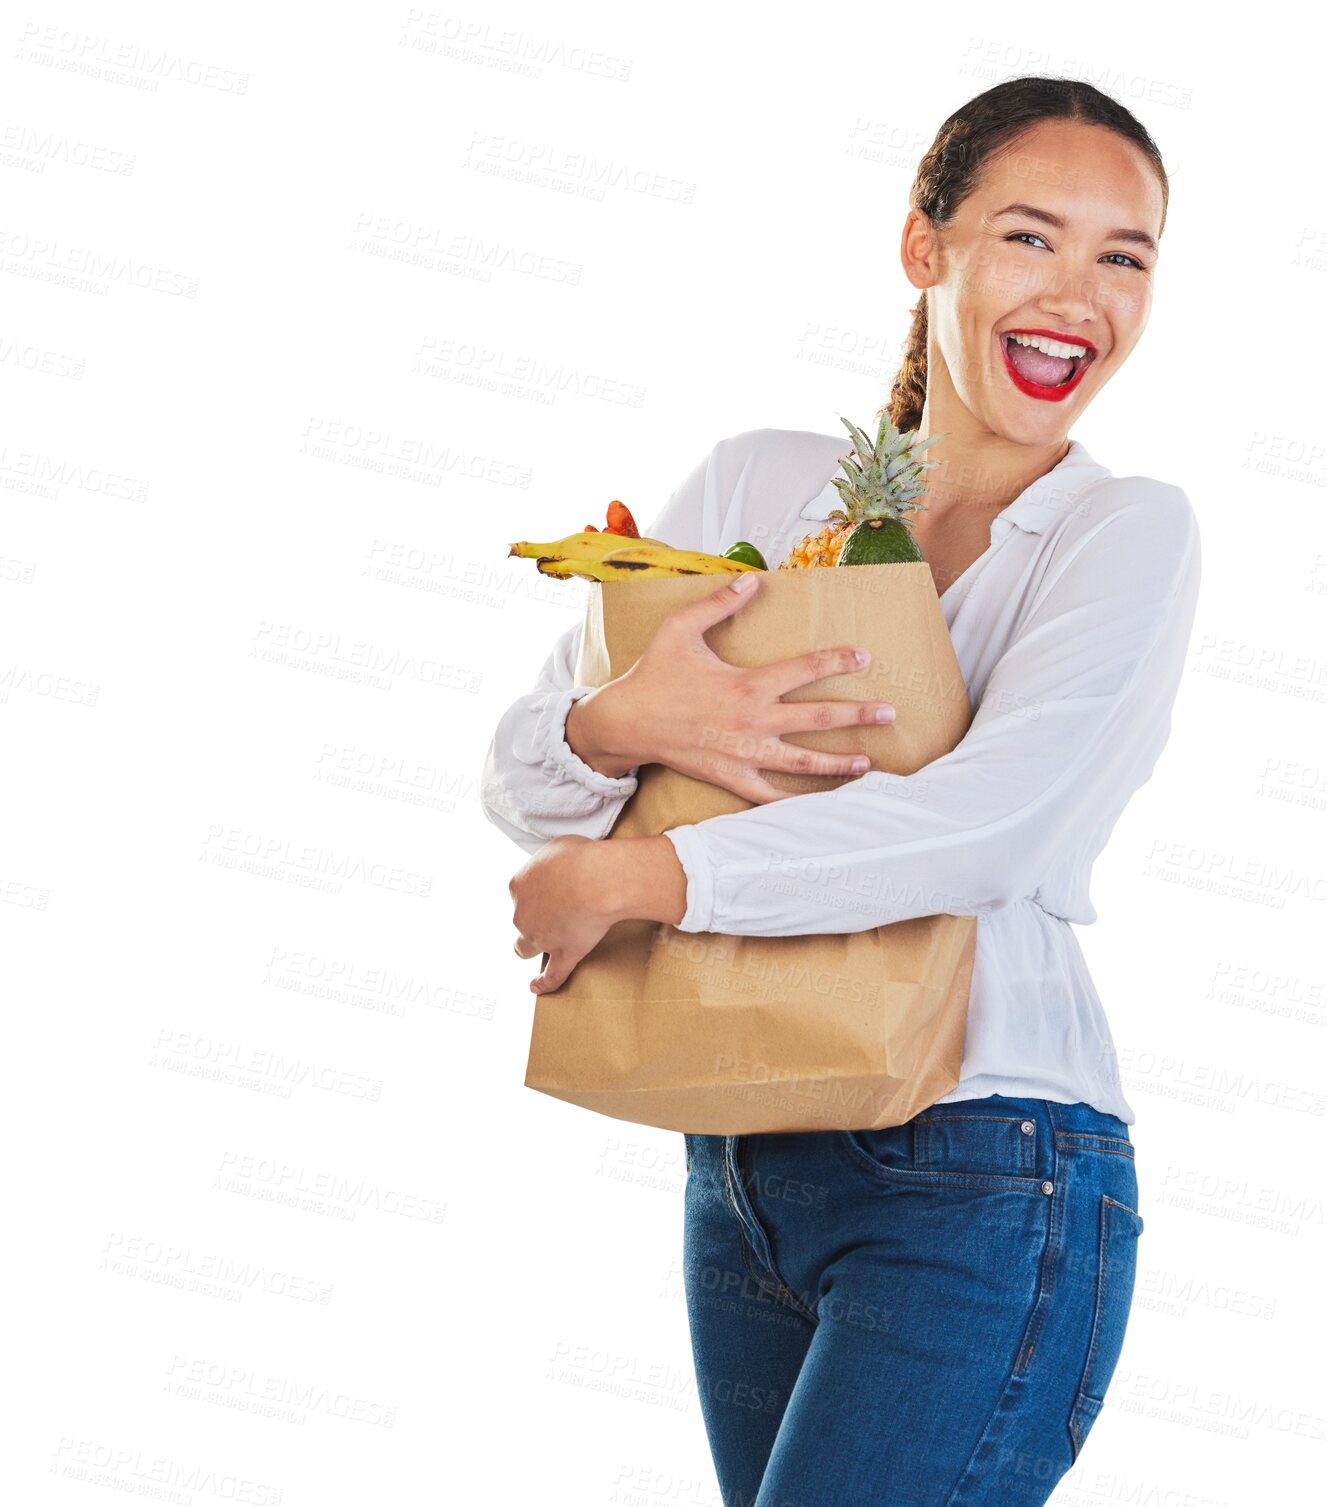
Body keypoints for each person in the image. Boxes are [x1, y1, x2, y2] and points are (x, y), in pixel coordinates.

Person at [481, 75, 1199, 1506]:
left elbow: (998, 827)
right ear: (924, 247)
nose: (1080, 293)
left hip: (989, 1166)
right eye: (1030, 238)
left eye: (1125, 257)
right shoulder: (760, 485)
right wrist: (622, 721)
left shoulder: (1120, 532)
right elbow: (528, 781)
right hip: (741, 1148)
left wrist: (644, 879)